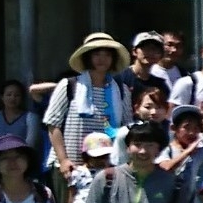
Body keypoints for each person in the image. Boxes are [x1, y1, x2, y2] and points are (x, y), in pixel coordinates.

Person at [44, 32, 135, 189]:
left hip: (108, 167)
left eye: (107, 55)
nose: (102, 59)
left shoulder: (121, 90)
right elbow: (53, 124)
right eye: (96, 54)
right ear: (88, 57)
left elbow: (126, 128)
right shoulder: (69, 85)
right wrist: (63, 160)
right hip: (71, 167)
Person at [0, 81, 44, 164]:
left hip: (24, 162)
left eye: (17, 95)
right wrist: (18, 141)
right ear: (2, 97)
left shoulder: (32, 118)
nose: (12, 98)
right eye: (9, 95)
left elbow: (30, 144)